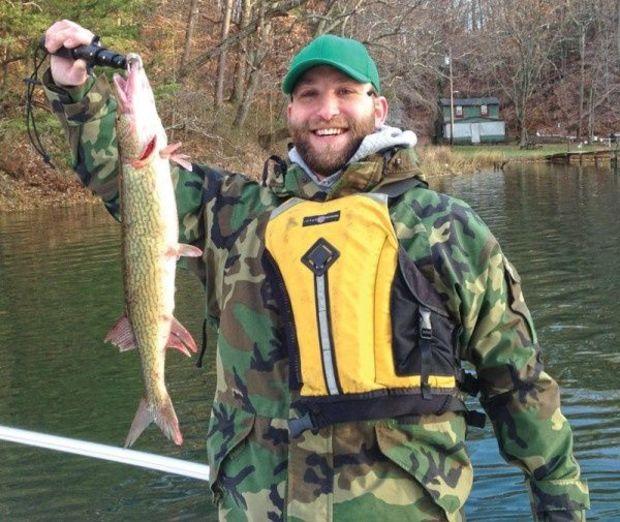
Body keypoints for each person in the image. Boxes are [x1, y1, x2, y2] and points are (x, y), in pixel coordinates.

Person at [43, 19, 589, 521]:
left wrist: (560, 502)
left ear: (378, 108)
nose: (326, 109)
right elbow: (125, 180)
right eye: (309, 95)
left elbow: (518, 383)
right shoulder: (233, 212)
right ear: (289, 112)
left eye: (345, 92)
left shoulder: (444, 227)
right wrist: (76, 90)